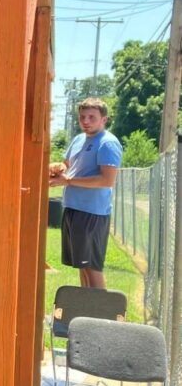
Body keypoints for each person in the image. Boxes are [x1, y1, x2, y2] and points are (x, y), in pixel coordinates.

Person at [49, 97, 122, 289]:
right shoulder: (79, 139)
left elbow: (107, 180)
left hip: (92, 213)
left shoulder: (107, 143)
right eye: (82, 117)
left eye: (91, 117)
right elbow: (68, 165)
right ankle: (86, 311)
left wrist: (68, 181)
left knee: (92, 268)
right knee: (82, 266)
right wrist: (59, 167)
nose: (86, 121)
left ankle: (101, 316)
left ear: (104, 120)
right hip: (73, 208)